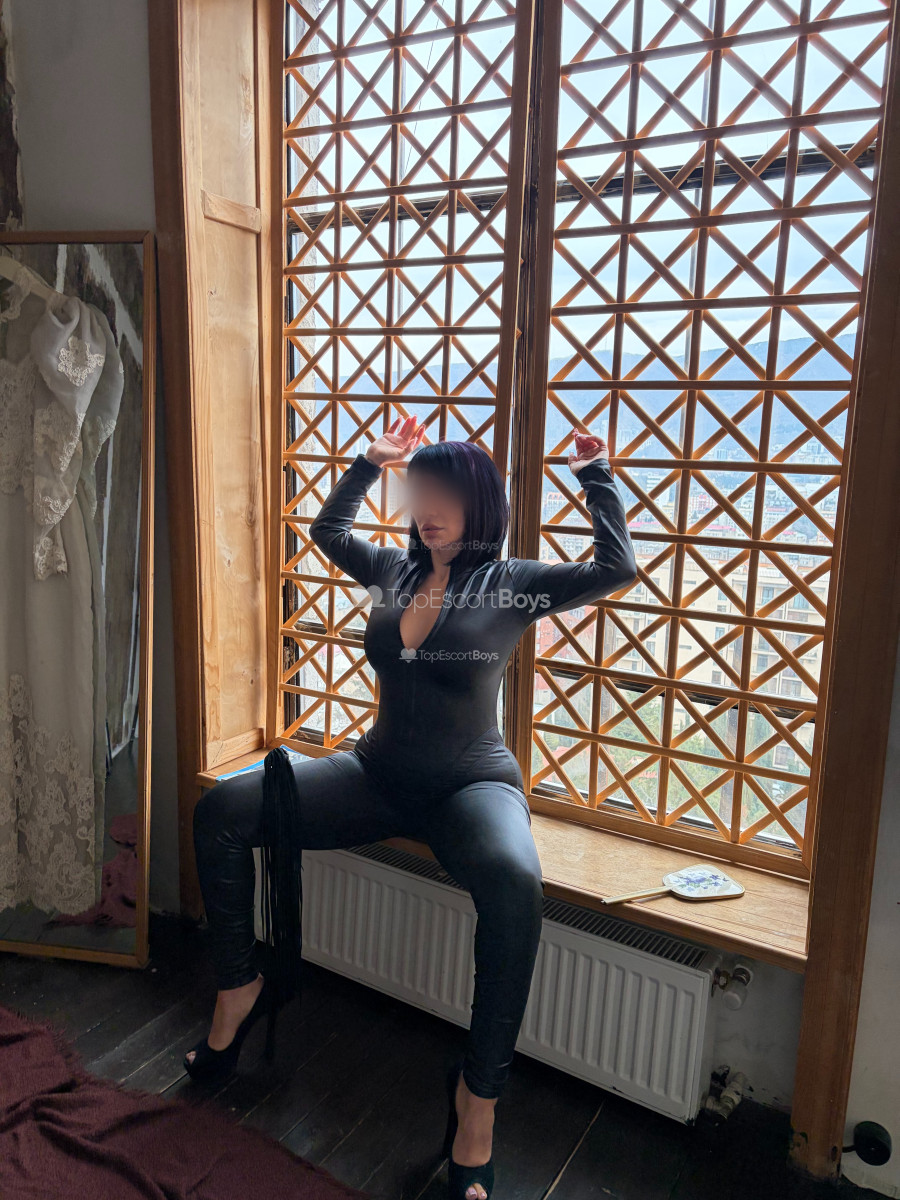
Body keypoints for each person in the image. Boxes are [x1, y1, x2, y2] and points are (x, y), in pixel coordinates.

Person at [184, 420, 637, 1200]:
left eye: (445, 497)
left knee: (513, 883)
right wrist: (368, 463)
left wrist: (595, 475)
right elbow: (328, 531)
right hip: (376, 771)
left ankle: (477, 1102)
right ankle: (239, 988)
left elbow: (615, 568)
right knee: (222, 810)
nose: (428, 511)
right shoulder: (393, 569)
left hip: (472, 786)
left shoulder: (511, 581)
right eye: (420, 494)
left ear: (479, 503)